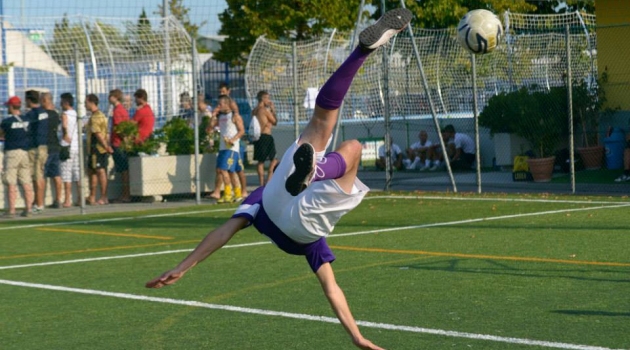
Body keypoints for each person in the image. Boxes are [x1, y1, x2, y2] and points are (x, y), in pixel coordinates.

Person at [146, 8, 412, 350]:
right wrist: (357, 336)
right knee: (337, 133)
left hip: (282, 207)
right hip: (292, 210)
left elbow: (224, 232)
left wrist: (184, 266)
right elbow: (330, 289)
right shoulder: (292, 226)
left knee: (340, 138)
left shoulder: (266, 206)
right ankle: (356, 64)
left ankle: (316, 166)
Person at [1, 96, 34, 217]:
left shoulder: (7, 122)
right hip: (24, 152)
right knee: (26, 181)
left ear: (11, 106)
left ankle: (12, 210)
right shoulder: (27, 119)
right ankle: (29, 208)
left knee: (11, 182)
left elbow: (1, 134)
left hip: (12, 152)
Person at [211, 95, 246, 203]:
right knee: (230, 172)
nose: (218, 106)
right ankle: (238, 194)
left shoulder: (234, 116)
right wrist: (213, 115)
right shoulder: (220, 116)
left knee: (222, 170)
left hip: (231, 148)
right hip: (222, 147)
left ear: (226, 104)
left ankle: (227, 194)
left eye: (220, 104)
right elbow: (210, 128)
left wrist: (232, 140)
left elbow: (242, 131)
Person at [85, 94, 113, 205]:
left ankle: (103, 196)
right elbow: (106, 132)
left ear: (91, 102)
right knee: (93, 171)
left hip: (97, 148)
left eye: (86, 102)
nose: (85, 105)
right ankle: (92, 196)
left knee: (100, 171)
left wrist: (106, 146)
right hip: (95, 149)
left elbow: (98, 133)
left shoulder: (96, 117)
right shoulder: (100, 115)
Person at [23, 90, 47, 213]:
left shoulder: (31, 114)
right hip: (44, 146)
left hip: (35, 148)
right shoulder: (44, 112)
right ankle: (38, 202)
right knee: (40, 175)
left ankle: (39, 204)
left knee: (36, 175)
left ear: (28, 100)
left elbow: (24, 129)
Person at [108, 89, 131, 203]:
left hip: (118, 143)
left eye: (110, 96)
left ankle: (126, 194)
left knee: (123, 170)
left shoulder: (117, 111)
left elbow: (119, 128)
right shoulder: (123, 110)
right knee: (123, 170)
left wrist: (124, 139)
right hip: (121, 143)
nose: (108, 98)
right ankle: (125, 193)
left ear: (115, 97)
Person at [252, 90, 279, 185]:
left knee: (260, 161)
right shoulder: (264, 110)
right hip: (266, 136)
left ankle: (261, 183)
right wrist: (272, 109)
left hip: (258, 137)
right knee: (274, 160)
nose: (269, 100)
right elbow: (274, 122)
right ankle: (269, 182)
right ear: (263, 99)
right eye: (267, 98)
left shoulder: (254, 110)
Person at [40, 92, 62, 208]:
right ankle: (58, 199)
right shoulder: (55, 115)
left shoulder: (42, 115)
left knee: (41, 175)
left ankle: (40, 201)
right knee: (56, 174)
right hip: (55, 146)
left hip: (45, 147)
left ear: (44, 101)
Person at [59, 93, 80, 208]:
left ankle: (67, 199)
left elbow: (64, 126)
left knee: (66, 173)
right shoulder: (76, 114)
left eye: (62, 102)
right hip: (77, 146)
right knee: (77, 172)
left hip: (67, 146)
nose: (60, 104)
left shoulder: (65, 115)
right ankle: (80, 197)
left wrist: (65, 134)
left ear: (66, 103)